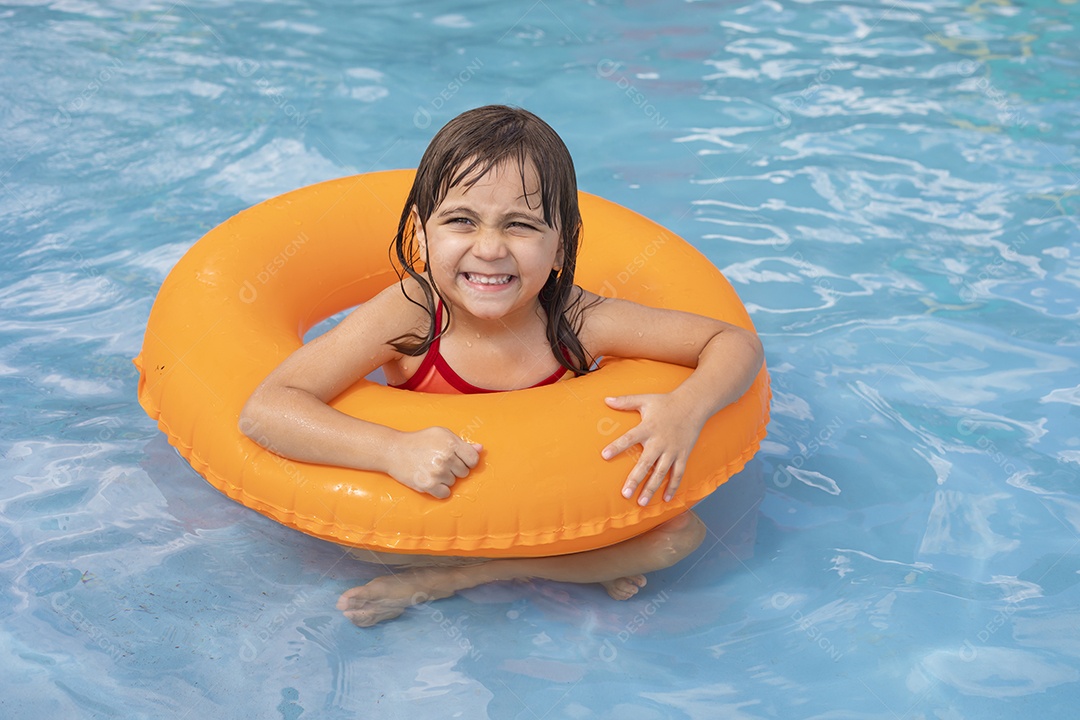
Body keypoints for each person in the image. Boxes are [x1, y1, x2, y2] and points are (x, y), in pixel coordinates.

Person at [240, 105, 764, 627]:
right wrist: (390, 450)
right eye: (461, 221)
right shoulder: (412, 314)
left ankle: (467, 578)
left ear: (562, 243)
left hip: (556, 509)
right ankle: (557, 569)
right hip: (440, 520)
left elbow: (732, 342)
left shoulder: (576, 319)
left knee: (679, 536)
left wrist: (686, 409)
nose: (489, 249)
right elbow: (267, 409)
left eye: (520, 225)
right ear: (421, 234)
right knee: (371, 547)